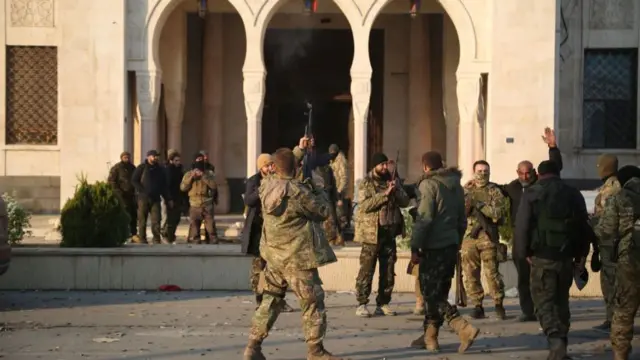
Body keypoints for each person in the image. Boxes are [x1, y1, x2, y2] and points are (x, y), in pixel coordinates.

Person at [242, 148, 341, 360]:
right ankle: (316, 351)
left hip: (274, 257)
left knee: (270, 300)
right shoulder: (298, 191)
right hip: (298, 258)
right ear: (295, 169)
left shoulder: (265, 185)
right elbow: (323, 211)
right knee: (312, 303)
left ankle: (253, 347)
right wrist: (317, 187)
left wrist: (298, 152)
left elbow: (283, 166)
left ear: (274, 168)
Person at [515, 160, 592, 360]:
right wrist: (581, 256)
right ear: (559, 173)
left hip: (541, 257)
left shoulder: (532, 192)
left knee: (542, 303)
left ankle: (556, 340)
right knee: (561, 301)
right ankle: (561, 346)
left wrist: (523, 253)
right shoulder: (573, 193)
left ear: (539, 174)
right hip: (566, 258)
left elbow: (522, 225)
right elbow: (584, 225)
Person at [409, 151, 480, 353]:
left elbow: (424, 219)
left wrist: (416, 246)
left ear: (425, 167)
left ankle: (463, 327)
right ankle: (430, 337)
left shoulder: (428, 185)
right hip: (450, 245)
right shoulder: (455, 186)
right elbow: (462, 218)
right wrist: (456, 240)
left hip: (432, 247)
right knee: (438, 291)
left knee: (431, 293)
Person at [504, 127, 563, 322]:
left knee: (541, 278)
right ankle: (527, 310)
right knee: (523, 278)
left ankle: (543, 310)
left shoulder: (541, 187)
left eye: (528, 173)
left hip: (539, 239)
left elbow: (555, 168)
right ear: (517, 173)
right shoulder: (512, 188)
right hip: (520, 239)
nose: (524, 177)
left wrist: (553, 147)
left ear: (534, 173)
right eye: (521, 173)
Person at [353, 153, 410, 317]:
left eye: (386, 164)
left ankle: (383, 302)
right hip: (372, 234)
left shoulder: (392, 180)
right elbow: (364, 206)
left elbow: (405, 201)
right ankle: (362, 303)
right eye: (382, 165)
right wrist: (384, 194)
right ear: (374, 166)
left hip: (389, 232)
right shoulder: (365, 183)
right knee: (366, 270)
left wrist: (396, 190)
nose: (385, 167)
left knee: (388, 270)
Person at [595, 165, 640, 360]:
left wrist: (594, 226)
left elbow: (606, 231)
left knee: (624, 309)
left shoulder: (618, 198)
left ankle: (620, 354)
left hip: (629, 258)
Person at [240, 153, 293, 312]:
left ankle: (278, 300)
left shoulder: (278, 179)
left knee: (277, 267)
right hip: (258, 229)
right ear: (261, 167)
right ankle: (260, 299)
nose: (270, 168)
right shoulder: (254, 181)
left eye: (272, 165)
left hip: (274, 229)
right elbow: (248, 200)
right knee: (259, 267)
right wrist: (262, 190)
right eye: (267, 166)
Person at [462, 160, 508, 319]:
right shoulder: (466, 190)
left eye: (485, 170)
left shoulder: (494, 191)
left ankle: (498, 303)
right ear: (473, 171)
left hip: (487, 236)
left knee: (492, 273)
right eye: (479, 170)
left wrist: (480, 205)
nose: (482, 174)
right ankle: (477, 305)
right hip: (469, 237)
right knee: (470, 272)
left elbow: (497, 213)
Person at [591, 154, 621, 332]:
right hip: (607, 241)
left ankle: (613, 319)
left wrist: (594, 225)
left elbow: (608, 217)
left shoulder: (611, 189)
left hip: (611, 242)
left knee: (611, 282)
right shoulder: (609, 186)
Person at [131, 150, 171, 244]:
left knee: (156, 220)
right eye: (153, 156)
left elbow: (164, 185)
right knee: (142, 220)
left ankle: (156, 239)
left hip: (156, 198)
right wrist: (142, 190)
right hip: (143, 199)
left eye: (157, 156)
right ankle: (142, 239)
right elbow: (134, 180)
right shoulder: (142, 168)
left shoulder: (160, 169)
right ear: (148, 157)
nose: (155, 158)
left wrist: (168, 198)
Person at [180, 153, 219, 244]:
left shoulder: (209, 173)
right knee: (194, 227)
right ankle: (194, 241)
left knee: (210, 227)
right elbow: (183, 188)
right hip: (194, 204)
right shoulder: (188, 174)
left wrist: (203, 176)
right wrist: (191, 178)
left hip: (207, 204)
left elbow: (214, 186)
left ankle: (212, 240)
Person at [107, 151, 137, 237]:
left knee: (133, 215)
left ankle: (133, 233)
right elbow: (111, 181)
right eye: (125, 157)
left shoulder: (132, 167)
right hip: (122, 195)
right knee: (124, 213)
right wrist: (118, 191)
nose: (127, 159)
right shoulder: (116, 168)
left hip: (132, 195)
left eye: (128, 157)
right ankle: (124, 232)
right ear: (121, 158)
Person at [163, 151, 184, 244]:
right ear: (171, 161)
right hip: (170, 197)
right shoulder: (168, 170)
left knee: (177, 218)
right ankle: (168, 236)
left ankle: (169, 235)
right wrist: (169, 199)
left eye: (179, 160)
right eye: (176, 160)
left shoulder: (179, 170)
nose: (178, 162)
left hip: (178, 197)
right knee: (171, 218)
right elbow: (167, 186)